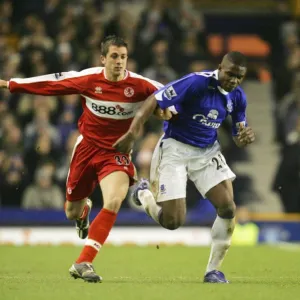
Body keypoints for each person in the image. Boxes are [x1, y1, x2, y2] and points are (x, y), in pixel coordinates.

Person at [0, 35, 171, 283]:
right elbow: (52, 83)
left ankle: (83, 261)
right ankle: (83, 213)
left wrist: (170, 112)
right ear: (103, 58)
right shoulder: (89, 78)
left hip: (117, 154)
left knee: (113, 200)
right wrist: (10, 84)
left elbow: (174, 95)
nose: (119, 62)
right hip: (86, 150)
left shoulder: (142, 85)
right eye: (114, 56)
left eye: (123, 57)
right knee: (71, 211)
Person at [114, 51, 255, 283]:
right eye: (230, 74)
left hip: (207, 152)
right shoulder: (196, 82)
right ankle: (144, 195)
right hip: (175, 149)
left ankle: (213, 271)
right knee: (173, 222)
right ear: (220, 67)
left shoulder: (238, 97)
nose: (234, 80)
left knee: (228, 207)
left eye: (239, 77)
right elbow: (155, 99)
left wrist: (244, 138)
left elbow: (238, 134)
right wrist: (132, 133)